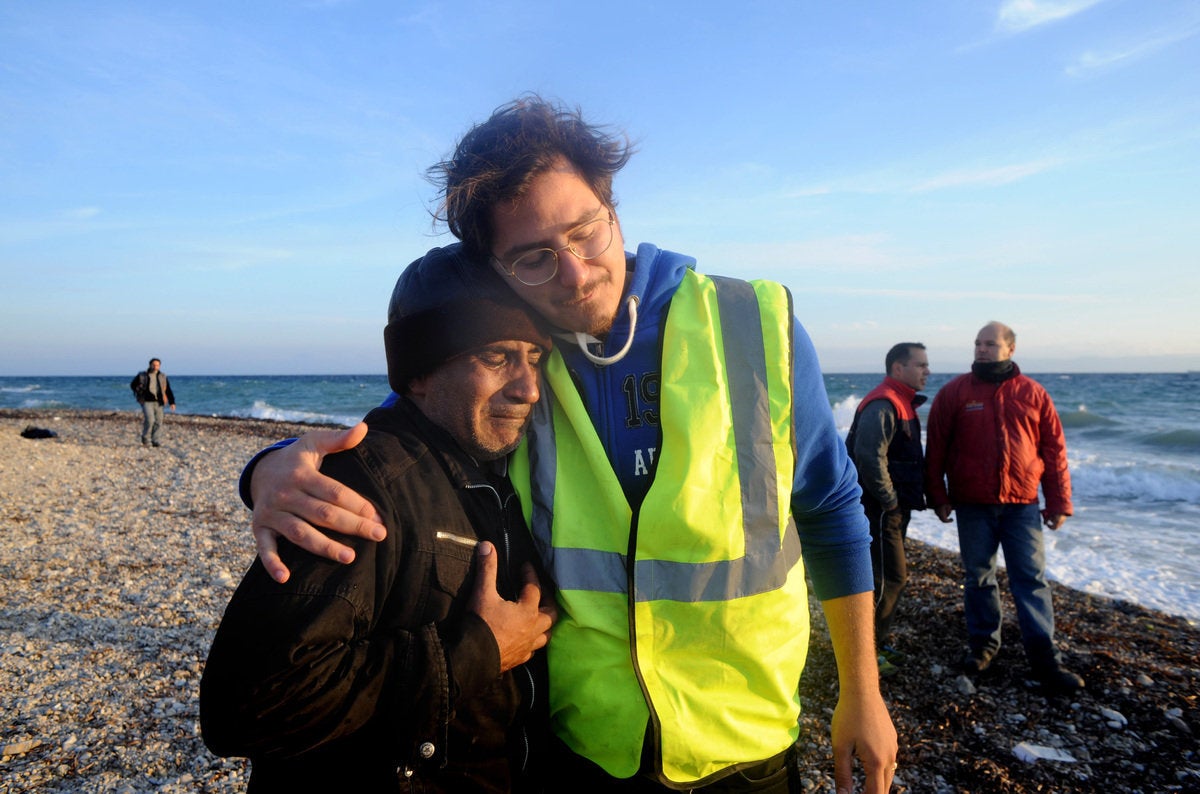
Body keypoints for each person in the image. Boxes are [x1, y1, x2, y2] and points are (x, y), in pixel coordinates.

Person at [242, 97, 897, 792]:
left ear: (613, 209)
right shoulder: (518, 360)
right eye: (533, 259)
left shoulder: (752, 324)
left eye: (586, 232)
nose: (576, 274)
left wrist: (862, 690)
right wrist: (268, 467)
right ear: (497, 269)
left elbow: (829, 508)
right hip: (584, 747)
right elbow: (399, 436)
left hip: (748, 743)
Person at [200, 246, 557, 792]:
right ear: (418, 373)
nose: (528, 386)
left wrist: (262, 465)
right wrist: (478, 650)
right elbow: (250, 706)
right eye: (496, 357)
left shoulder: (506, 465)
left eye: (535, 357)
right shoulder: (362, 490)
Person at [925, 321, 1085, 695]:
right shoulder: (955, 393)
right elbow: (936, 451)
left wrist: (1059, 501)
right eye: (978, 343)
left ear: (1010, 349)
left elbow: (1054, 451)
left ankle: (1045, 658)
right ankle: (983, 646)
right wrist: (939, 496)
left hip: (1022, 506)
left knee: (1030, 579)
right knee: (978, 578)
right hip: (972, 505)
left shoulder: (1033, 393)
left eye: (990, 344)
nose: (982, 349)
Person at [844, 343, 929, 679]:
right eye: (920, 365)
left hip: (893, 508)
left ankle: (878, 643)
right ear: (898, 368)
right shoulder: (884, 403)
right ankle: (867, 653)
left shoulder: (902, 402)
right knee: (888, 578)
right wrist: (889, 498)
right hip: (880, 508)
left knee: (889, 577)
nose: (927, 371)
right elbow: (868, 456)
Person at [129, 357, 175, 447]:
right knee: (150, 420)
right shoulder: (142, 375)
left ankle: (155, 440)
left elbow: (168, 389)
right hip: (146, 401)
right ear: (150, 365)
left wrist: (172, 402)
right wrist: (138, 390)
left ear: (160, 366)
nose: (155, 367)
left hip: (159, 402)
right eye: (154, 365)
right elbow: (132, 385)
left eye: (157, 365)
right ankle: (145, 439)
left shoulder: (163, 376)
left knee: (158, 421)